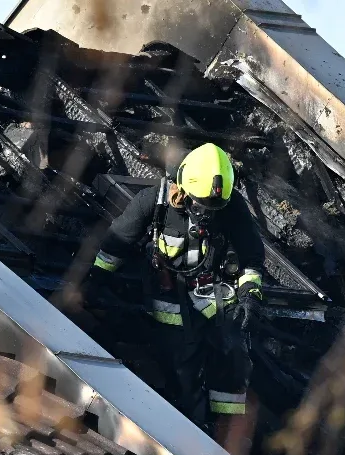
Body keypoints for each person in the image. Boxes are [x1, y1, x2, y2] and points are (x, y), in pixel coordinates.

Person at [83, 143, 265, 431]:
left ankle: (226, 428)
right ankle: (190, 425)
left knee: (233, 351)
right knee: (182, 367)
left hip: (212, 292)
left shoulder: (232, 208)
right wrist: (95, 280)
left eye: (215, 205)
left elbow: (252, 258)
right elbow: (115, 244)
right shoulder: (152, 203)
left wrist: (249, 297)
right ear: (184, 189)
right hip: (167, 300)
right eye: (202, 203)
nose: (208, 212)